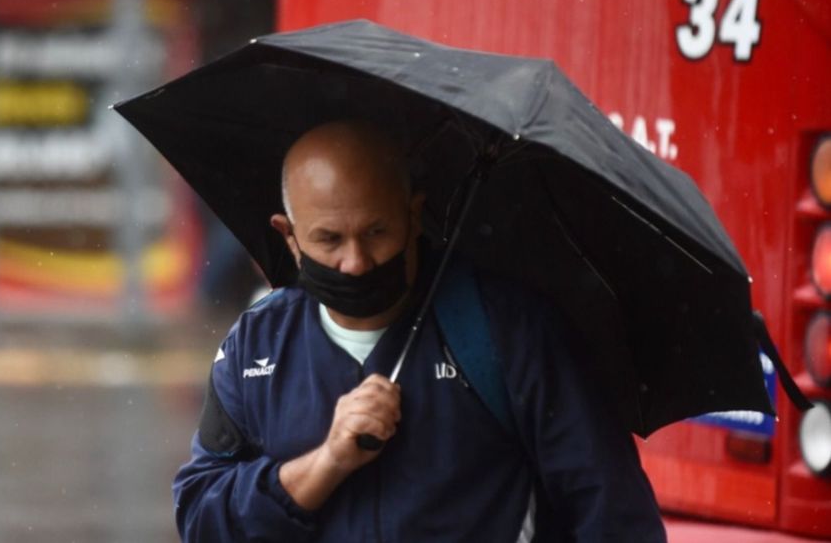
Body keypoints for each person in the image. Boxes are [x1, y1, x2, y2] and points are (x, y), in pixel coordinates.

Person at [173, 120, 666, 542]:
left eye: (376, 232)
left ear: (413, 215)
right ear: (289, 236)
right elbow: (200, 516)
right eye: (329, 239)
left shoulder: (506, 329)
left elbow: (611, 510)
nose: (356, 262)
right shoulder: (256, 346)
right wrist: (325, 464)